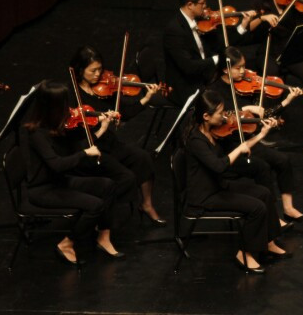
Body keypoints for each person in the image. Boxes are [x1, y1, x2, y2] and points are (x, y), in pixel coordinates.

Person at [20, 79, 126, 264]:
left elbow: (76, 148)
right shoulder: (37, 133)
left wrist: (101, 128)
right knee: (95, 205)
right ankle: (67, 242)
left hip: (58, 181)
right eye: (63, 104)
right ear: (52, 107)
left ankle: (103, 237)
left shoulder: (57, 126)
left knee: (108, 185)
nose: (68, 109)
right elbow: (58, 165)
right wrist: (85, 153)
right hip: (43, 189)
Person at [183, 90, 287, 273]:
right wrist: (239, 150)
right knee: (257, 208)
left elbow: (242, 147)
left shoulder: (212, 132)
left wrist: (261, 135)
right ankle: (244, 253)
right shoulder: (196, 140)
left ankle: (268, 242)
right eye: (220, 113)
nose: (225, 116)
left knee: (264, 193)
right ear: (206, 116)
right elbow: (219, 166)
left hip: (218, 186)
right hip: (205, 196)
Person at [206, 46, 303, 223]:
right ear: (225, 69)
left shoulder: (243, 87)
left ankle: (288, 208)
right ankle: (272, 216)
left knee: (283, 160)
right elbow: (220, 119)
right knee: (262, 168)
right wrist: (245, 108)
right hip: (229, 146)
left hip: (249, 140)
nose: (243, 71)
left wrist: (286, 101)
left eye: (244, 66)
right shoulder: (214, 91)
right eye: (238, 68)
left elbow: (261, 116)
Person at [70, 46, 167, 226]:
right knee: (126, 178)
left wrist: (146, 99)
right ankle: (100, 215)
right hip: (92, 147)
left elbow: (126, 113)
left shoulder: (104, 90)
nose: (98, 75)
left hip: (109, 143)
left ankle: (146, 204)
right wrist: (101, 123)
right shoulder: (72, 95)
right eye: (93, 71)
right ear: (80, 70)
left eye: (100, 69)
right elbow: (75, 132)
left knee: (143, 158)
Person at [163, 0, 255, 106]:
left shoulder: (201, 22)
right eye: (203, 3)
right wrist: (217, 59)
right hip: (186, 86)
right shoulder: (174, 30)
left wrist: (243, 25)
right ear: (190, 5)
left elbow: (222, 44)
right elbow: (188, 67)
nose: (206, 7)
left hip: (205, 76)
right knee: (222, 102)